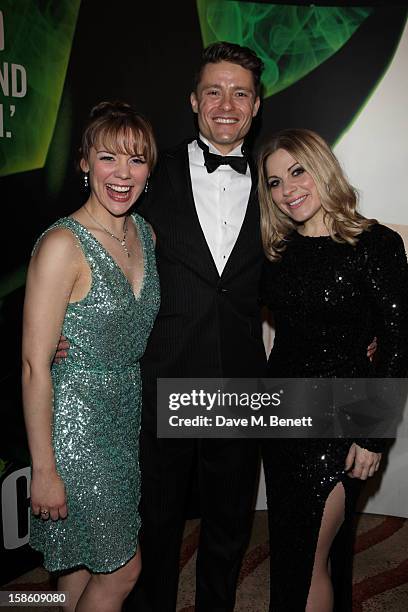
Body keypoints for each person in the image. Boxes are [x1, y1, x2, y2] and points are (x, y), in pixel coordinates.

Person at [125, 41, 266, 612]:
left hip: (238, 381)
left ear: (256, 106)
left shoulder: (280, 181)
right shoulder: (145, 173)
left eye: (240, 93)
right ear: (193, 101)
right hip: (165, 375)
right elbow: (98, 249)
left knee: (230, 524)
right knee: (154, 525)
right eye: (214, 91)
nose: (226, 104)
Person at [257, 128, 408, 611]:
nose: (288, 189)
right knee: (297, 548)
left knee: (307, 559)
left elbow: (399, 342)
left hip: (345, 419)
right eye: (275, 181)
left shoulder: (375, 243)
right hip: (284, 415)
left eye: (297, 171)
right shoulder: (278, 253)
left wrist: (372, 433)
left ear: (322, 168)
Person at [22, 101, 160, 612]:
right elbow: (35, 365)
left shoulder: (144, 233)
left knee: (83, 566)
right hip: (74, 426)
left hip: (122, 419)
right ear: (84, 162)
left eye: (137, 160)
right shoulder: (63, 244)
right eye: (108, 158)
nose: (123, 175)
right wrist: (44, 469)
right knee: (124, 570)